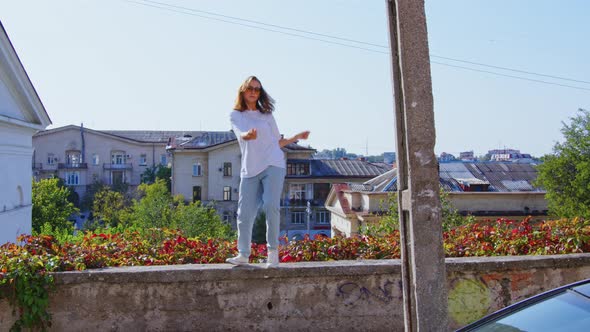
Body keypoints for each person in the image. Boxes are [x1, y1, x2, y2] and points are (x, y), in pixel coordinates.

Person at [227, 75, 310, 268]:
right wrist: (248, 135)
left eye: (257, 89)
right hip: (250, 168)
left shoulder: (267, 115)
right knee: (244, 213)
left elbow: (277, 142)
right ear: (243, 91)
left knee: (271, 206)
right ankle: (243, 254)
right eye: (250, 88)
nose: (254, 92)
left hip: (273, 164)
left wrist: (295, 137)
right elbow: (241, 134)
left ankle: (273, 253)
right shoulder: (236, 115)